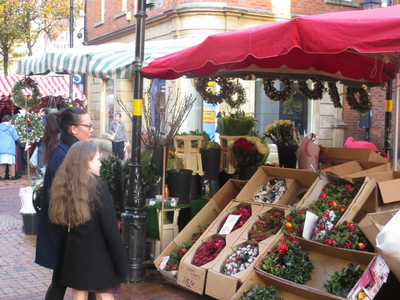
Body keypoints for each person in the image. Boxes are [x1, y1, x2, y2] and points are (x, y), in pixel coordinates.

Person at [49, 142, 127, 300]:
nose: (101, 163)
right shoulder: (98, 188)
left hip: (75, 253)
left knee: (79, 292)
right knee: (104, 294)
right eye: (97, 159)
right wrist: (121, 261)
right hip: (99, 256)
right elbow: (111, 230)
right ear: (86, 162)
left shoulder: (65, 187)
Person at [36, 107, 96, 300]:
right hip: (65, 231)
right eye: (88, 126)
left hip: (67, 230)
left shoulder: (68, 150)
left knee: (67, 280)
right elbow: (67, 198)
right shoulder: (64, 155)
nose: (91, 129)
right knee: (66, 280)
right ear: (73, 129)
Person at [0, 115, 19, 180]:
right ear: (10, 120)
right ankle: (11, 176)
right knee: (11, 163)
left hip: (1, 147)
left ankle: (2, 176)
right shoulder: (12, 127)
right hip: (10, 147)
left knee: (2, 162)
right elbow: (16, 138)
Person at [32, 108, 49, 179]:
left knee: (41, 157)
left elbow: (38, 132)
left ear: (43, 112)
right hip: (49, 140)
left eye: (40, 111)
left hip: (42, 141)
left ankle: (39, 174)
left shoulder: (41, 120)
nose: (39, 113)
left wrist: (36, 142)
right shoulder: (50, 119)